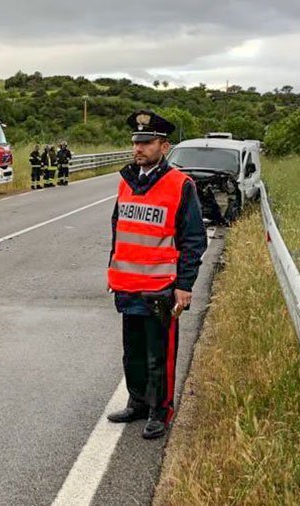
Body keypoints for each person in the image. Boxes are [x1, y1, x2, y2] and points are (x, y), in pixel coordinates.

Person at [106, 110, 207, 439]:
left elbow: (193, 239)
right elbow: (118, 228)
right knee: (132, 351)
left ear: (164, 146)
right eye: (136, 142)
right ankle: (137, 401)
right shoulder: (126, 181)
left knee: (158, 354)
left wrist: (185, 285)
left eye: (147, 142)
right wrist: (113, 268)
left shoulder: (181, 185)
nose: (139, 148)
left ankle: (160, 410)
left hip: (161, 288)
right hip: (127, 284)